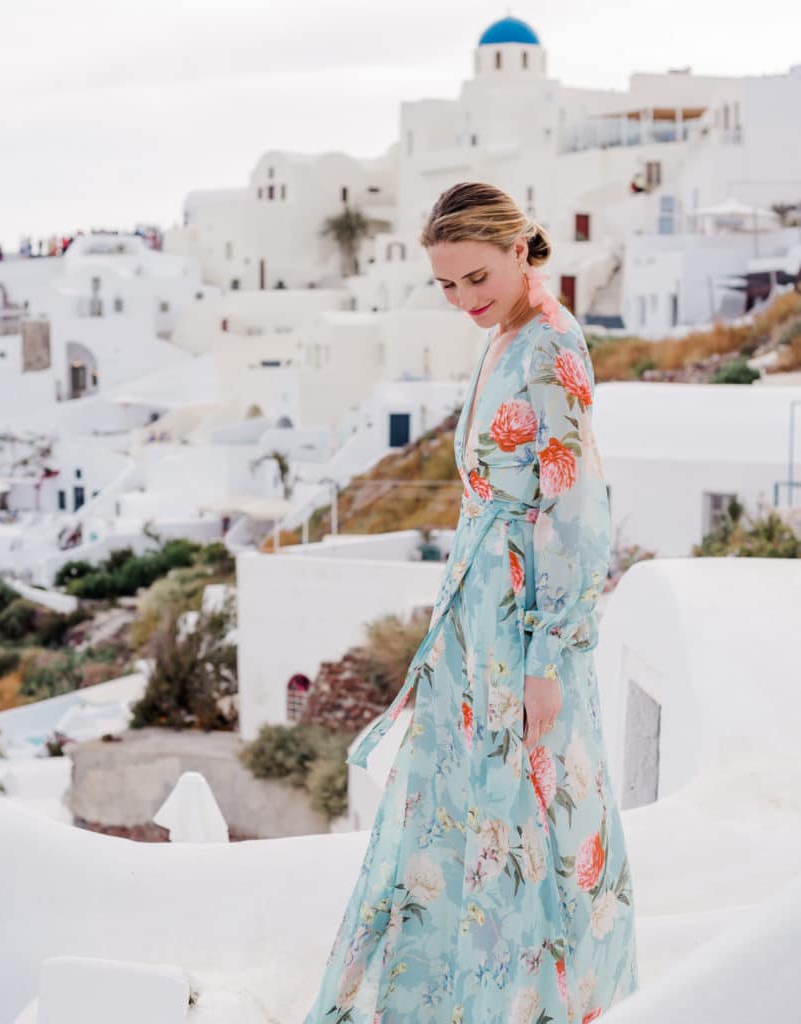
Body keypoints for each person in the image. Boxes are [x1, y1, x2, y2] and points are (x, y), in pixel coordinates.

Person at [301, 182, 639, 1023]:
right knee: (465, 807)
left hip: (523, 629)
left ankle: (534, 1003)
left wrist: (549, 654)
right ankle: (455, 995)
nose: (462, 300)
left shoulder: (551, 344)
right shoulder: (502, 335)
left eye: (476, 278)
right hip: (475, 617)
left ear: (520, 249)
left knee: (533, 807)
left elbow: (574, 509)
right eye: (446, 285)